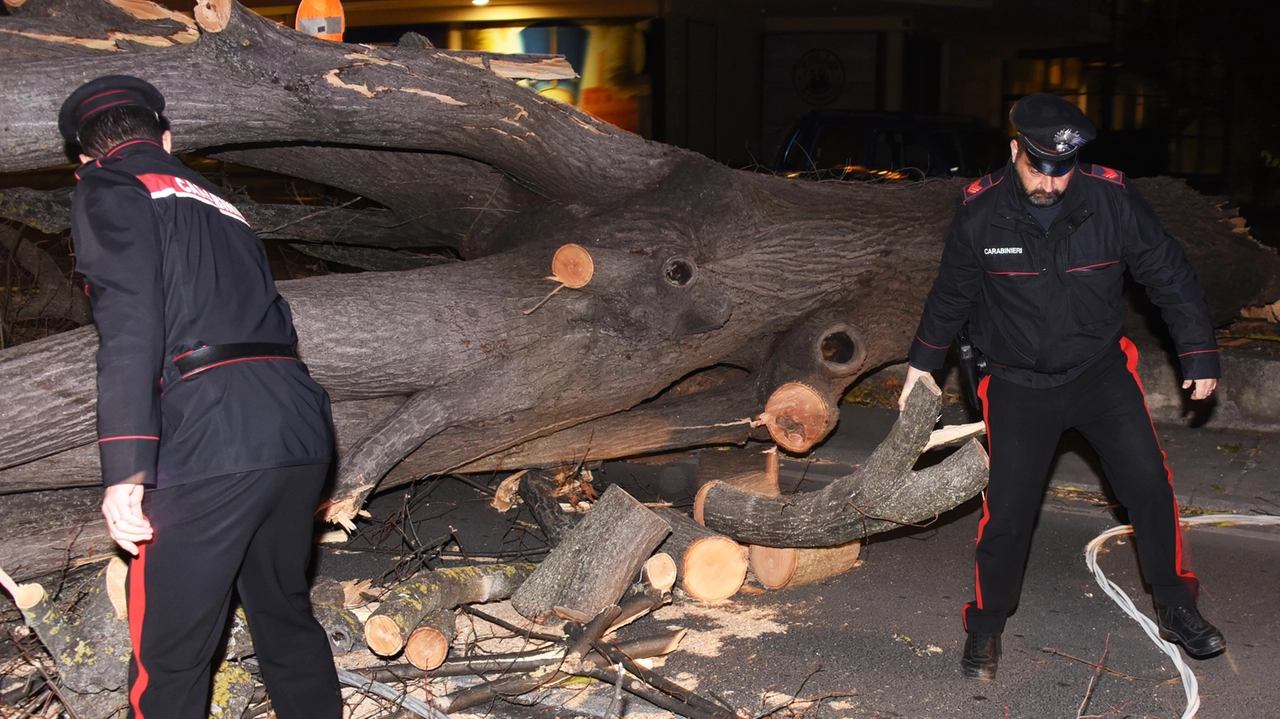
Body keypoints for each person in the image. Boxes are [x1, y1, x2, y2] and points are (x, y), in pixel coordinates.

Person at [897, 93, 1226, 681]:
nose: (1052, 185)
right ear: (1015, 150)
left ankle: (1177, 607)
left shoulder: (1111, 199)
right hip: (1017, 383)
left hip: (1100, 372)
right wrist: (922, 364)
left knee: (1151, 484)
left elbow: (1168, 274)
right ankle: (986, 627)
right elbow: (953, 291)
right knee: (1008, 514)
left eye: (1063, 170)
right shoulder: (980, 212)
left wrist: (1198, 353)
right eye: (1039, 169)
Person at [60, 75, 343, 718]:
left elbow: (130, 328)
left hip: (210, 433)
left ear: (85, 155)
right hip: (296, 424)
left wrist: (126, 470)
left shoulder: (110, 185)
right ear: (166, 136)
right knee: (282, 613)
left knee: (168, 657)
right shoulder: (219, 198)